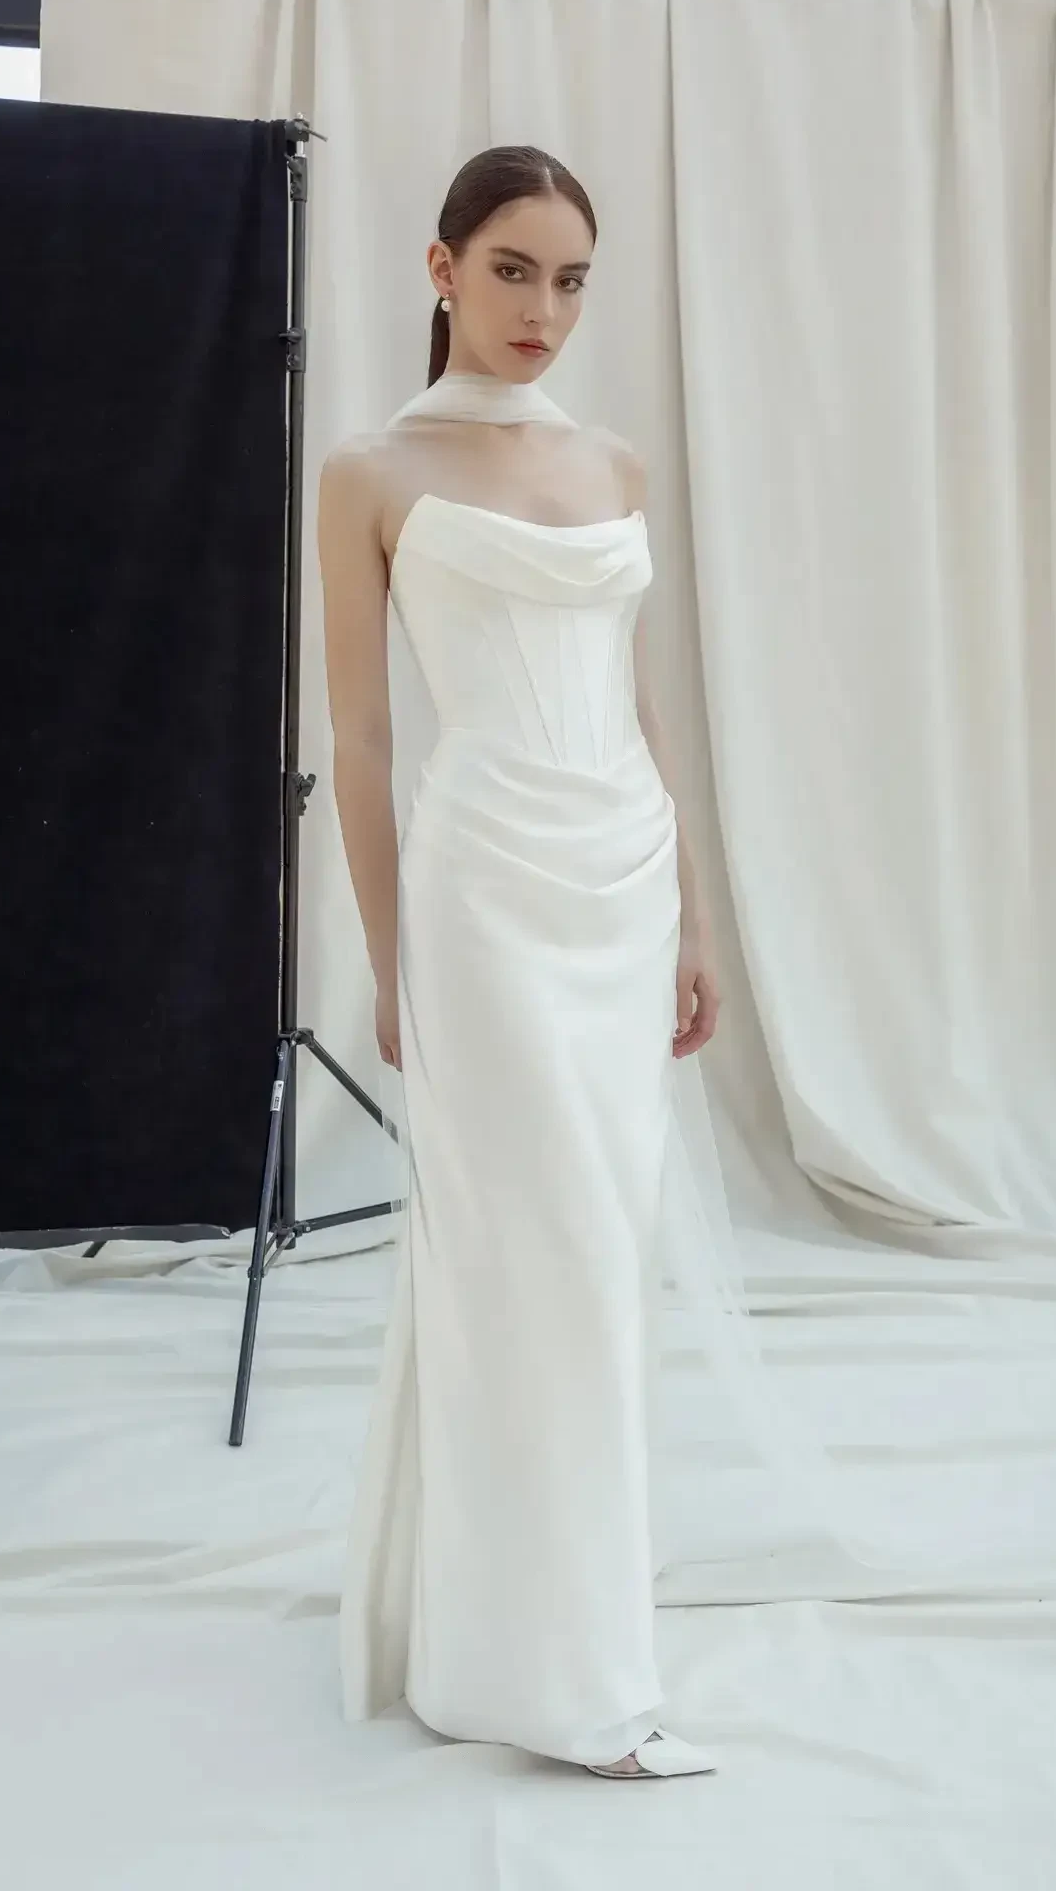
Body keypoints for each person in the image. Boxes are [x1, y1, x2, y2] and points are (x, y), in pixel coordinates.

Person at [319, 145, 725, 1781]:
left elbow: (635, 707)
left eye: (569, 280)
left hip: (618, 878)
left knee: (599, 1258)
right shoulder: (371, 470)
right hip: (481, 887)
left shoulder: (615, 465)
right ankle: (538, 1668)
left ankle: (553, 1616)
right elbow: (358, 738)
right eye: (511, 272)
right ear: (438, 270)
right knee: (523, 1250)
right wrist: (390, 956)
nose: (543, 309)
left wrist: (691, 909)